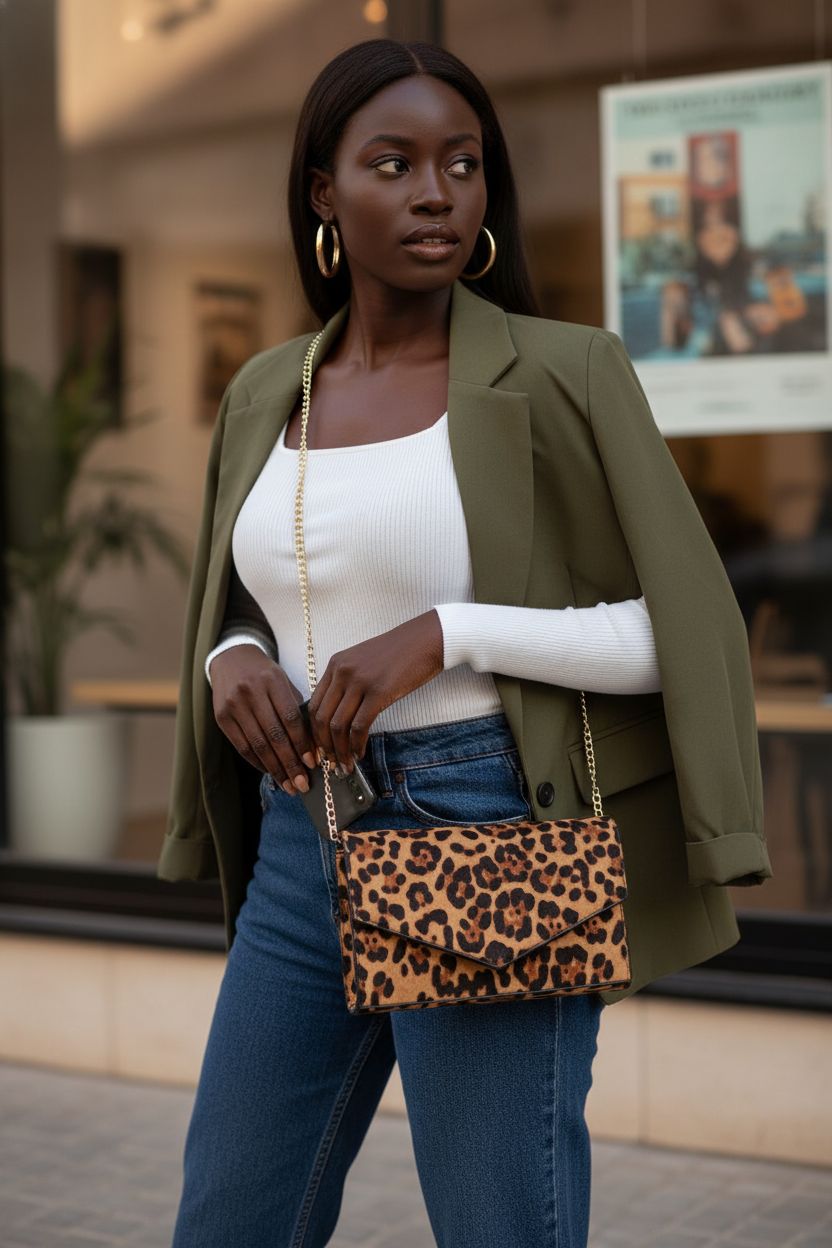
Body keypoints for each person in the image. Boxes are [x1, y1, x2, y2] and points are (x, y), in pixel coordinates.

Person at [161, 38, 772, 1248]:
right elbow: (246, 601)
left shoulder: (563, 374)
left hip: (482, 826)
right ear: (325, 194)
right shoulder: (264, 392)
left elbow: (685, 637)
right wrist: (230, 662)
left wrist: (442, 634)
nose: (435, 191)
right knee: (230, 1215)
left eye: (462, 164)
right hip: (302, 841)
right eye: (392, 163)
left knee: (498, 1225)